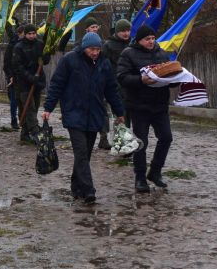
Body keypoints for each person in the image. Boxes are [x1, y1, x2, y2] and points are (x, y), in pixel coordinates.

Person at [42, 32, 125, 204]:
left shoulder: (104, 63)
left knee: (85, 154)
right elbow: (57, 84)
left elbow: (111, 89)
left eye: (97, 49)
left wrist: (119, 112)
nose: (95, 52)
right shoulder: (70, 60)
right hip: (74, 112)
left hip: (94, 114)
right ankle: (88, 190)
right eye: (91, 49)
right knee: (80, 152)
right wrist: (48, 108)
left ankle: (76, 185)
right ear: (84, 47)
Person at [117, 25, 175, 193]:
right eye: (147, 39)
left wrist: (177, 78)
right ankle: (140, 178)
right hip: (138, 106)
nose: (151, 41)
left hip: (160, 105)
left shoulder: (162, 54)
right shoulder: (128, 54)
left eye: (152, 38)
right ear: (139, 40)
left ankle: (155, 172)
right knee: (141, 143)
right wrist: (140, 80)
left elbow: (170, 75)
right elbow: (122, 77)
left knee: (166, 137)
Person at [12, 24, 51, 143]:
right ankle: (36, 134)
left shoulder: (39, 44)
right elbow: (18, 66)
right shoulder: (19, 47)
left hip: (37, 82)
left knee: (34, 107)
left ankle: (24, 135)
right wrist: (30, 77)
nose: (32, 36)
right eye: (29, 34)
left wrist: (46, 55)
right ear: (25, 34)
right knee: (29, 108)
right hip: (23, 84)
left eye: (34, 33)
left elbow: (45, 61)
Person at [99, 18, 132, 148]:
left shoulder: (132, 45)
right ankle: (104, 137)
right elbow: (101, 65)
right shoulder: (108, 45)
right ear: (117, 31)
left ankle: (122, 142)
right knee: (108, 113)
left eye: (128, 30)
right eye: (123, 31)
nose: (126, 33)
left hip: (127, 85)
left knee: (124, 114)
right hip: (111, 84)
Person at [3, 24, 24, 130]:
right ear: (19, 33)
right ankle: (13, 119)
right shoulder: (12, 45)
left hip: (23, 76)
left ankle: (23, 119)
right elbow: (7, 62)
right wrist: (10, 75)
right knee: (14, 99)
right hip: (13, 76)